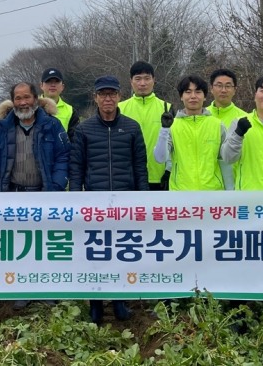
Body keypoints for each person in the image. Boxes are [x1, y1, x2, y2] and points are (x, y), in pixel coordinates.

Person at [69, 75, 146, 324]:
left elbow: (140, 166)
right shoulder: (84, 129)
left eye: (112, 93)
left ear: (119, 96)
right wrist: (76, 199)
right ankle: (95, 305)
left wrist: (141, 199)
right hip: (95, 203)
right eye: (103, 94)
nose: (108, 98)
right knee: (96, 254)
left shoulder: (132, 127)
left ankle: (119, 301)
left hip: (124, 201)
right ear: (95, 98)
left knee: (121, 253)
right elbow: (76, 167)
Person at [0, 82, 70, 193]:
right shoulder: (2, 128)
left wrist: (56, 187)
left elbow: (63, 158)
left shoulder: (52, 125)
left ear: (36, 99)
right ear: (13, 102)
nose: (23, 103)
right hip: (11, 194)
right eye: (18, 98)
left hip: (45, 193)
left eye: (27, 97)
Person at [153, 75, 228, 191]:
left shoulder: (218, 125)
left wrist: (230, 191)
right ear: (181, 97)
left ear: (204, 97)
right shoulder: (171, 125)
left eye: (198, 92)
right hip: (181, 194)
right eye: (188, 92)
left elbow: (226, 161)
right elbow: (160, 158)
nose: (193, 96)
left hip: (213, 194)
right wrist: (164, 129)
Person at [119, 61, 173, 190]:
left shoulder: (167, 108)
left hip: (159, 177)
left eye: (147, 78)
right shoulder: (120, 108)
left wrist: (168, 171)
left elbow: (174, 145)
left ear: (154, 80)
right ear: (131, 81)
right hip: (127, 177)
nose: (142, 83)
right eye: (138, 79)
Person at [40, 68, 80, 138]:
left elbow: (74, 140)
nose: (53, 85)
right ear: (41, 85)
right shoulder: (32, 107)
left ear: (62, 87)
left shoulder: (70, 111)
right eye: (48, 81)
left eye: (57, 81)